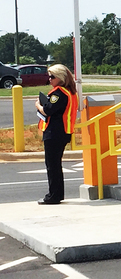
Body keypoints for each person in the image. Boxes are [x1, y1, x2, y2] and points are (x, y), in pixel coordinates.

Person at [34, 64, 78, 205]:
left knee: (52, 166)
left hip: (54, 133)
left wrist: (38, 105)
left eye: (52, 76)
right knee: (55, 165)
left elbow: (48, 110)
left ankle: (53, 196)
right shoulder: (70, 92)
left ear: (60, 77)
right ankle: (57, 194)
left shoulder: (59, 93)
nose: (50, 79)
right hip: (63, 132)